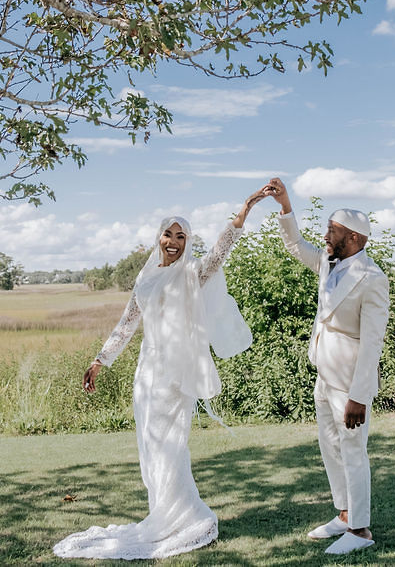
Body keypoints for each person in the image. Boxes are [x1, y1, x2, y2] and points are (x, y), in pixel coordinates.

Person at [53, 189, 267, 560]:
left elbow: (218, 254)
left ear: (187, 242)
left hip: (175, 374)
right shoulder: (146, 278)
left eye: (181, 236)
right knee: (150, 449)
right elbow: (127, 324)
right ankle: (161, 514)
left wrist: (244, 211)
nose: (173, 242)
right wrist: (100, 360)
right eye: (168, 234)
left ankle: (187, 517)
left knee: (171, 447)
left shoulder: (192, 274)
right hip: (146, 374)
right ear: (159, 237)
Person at [264, 176, 389, 556]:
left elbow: (372, 343)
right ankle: (345, 514)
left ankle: (362, 530)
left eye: (332, 230)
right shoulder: (326, 263)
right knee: (330, 448)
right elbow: (293, 245)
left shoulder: (371, 279)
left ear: (353, 237)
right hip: (323, 373)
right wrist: (285, 205)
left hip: (350, 383)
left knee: (353, 450)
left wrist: (359, 396)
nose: (326, 235)